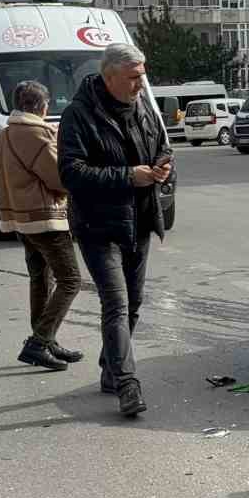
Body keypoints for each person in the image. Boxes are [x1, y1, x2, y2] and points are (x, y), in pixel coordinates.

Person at [58, 42, 172, 419]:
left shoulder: (143, 109)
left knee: (134, 303)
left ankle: (110, 369)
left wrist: (162, 168)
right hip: (98, 226)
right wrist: (128, 176)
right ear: (109, 78)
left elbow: (162, 150)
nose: (141, 84)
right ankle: (127, 384)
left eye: (143, 76)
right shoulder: (79, 114)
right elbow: (71, 173)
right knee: (117, 304)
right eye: (134, 78)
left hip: (138, 222)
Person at [0, 80, 84, 372]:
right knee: (70, 280)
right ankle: (39, 342)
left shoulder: (5, 134)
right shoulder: (35, 133)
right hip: (45, 218)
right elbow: (58, 177)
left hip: (20, 217)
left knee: (41, 279)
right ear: (41, 106)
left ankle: (46, 341)